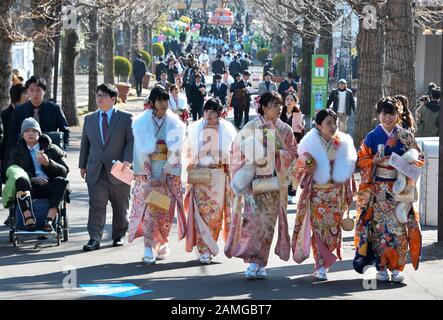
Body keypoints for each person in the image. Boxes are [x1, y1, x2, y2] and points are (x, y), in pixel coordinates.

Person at [225, 91, 297, 279]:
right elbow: (235, 149)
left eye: (280, 105)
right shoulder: (251, 126)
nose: (279, 108)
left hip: (274, 183)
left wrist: (276, 153)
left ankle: (260, 262)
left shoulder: (285, 130)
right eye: (275, 105)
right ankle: (251, 260)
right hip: (254, 183)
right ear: (264, 107)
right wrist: (253, 156)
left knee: (267, 225)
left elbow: (292, 152)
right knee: (253, 223)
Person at [354, 97, 424, 283]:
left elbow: (420, 158)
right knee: (380, 230)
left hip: (400, 190)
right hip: (378, 188)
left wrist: (409, 161)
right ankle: (382, 267)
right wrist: (373, 162)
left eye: (391, 113)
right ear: (379, 115)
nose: (387, 118)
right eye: (383, 114)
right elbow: (360, 161)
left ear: (398, 115)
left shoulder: (405, 136)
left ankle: (397, 268)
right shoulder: (372, 136)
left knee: (399, 229)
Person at [291, 109, 357, 281]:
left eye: (334, 122)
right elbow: (299, 165)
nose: (332, 126)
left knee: (333, 230)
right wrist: (307, 165)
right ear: (318, 125)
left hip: (336, 194)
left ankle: (324, 263)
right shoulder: (309, 143)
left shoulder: (342, 142)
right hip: (317, 194)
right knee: (319, 230)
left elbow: (349, 165)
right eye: (328, 123)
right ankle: (320, 264)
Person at [129, 87, 186, 264]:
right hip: (148, 174)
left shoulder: (175, 123)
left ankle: (160, 243)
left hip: (167, 174)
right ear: (152, 103)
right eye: (160, 100)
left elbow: (177, 152)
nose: (163, 104)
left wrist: (166, 172)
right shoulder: (141, 123)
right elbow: (139, 151)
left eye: (165, 100)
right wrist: (149, 175)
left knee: (165, 213)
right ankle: (148, 248)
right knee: (149, 212)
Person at [79, 83, 134, 251]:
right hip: (96, 170)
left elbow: (131, 142)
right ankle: (94, 238)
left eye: (103, 95)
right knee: (96, 206)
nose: (99, 98)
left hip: (119, 170)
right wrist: (82, 165)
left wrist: (127, 161)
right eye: (98, 95)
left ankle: (119, 235)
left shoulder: (126, 118)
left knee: (120, 206)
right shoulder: (89, 119)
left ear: (113, 98)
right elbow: (85, 144)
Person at [183, 98, 237, 264]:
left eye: (213, 111)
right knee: (201, 212)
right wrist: (190, 167)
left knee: (215, 213)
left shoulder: (227, 129)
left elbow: (234, 154)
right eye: (206, 111)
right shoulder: (195, 129)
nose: (208, 115)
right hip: (200, 175)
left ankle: (208, 246)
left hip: (219, 175)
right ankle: (203, 249)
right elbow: (188, 152)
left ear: (219, 113)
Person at [9, 118, 69, 232]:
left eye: (34, 131)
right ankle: (28, 218)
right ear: (22, 135)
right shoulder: (16, 152)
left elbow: (65, 170)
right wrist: (33, 179)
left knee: (61, 181)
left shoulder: (52, 148)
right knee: (20, 179)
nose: (30, 134)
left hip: (49, 184)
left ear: (39, 133)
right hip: (30, 187)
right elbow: (12, 170)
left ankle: (50, 219)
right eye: (27, 131)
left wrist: (48, 163)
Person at [8, 76, 70, 154]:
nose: (35, 94)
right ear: (27, 92)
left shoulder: (55, 109)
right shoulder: (19, 110)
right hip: (25, 152)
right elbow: (12, 132)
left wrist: (63, 149)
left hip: (49, 150)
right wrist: (15, 151)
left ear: (44, 91)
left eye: (38, 90)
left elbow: (65, 130)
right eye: (31, 90)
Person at [1, 83, 29, 226]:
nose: (28, 96)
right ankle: (12, 213)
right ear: (17, 96)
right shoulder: (4, 115)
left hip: (25, 155)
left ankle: (19, 213)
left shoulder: (27, 113)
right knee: (11, 185)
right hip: (9, 156)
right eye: (25, 93)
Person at [280, 93, 305, 204]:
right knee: (282, 170)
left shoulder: (298, 115)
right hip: (281, 146)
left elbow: (301, 133)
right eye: (287, 99)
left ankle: (292, 193)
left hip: (294, 146)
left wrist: (301, 127)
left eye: (291, 100)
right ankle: (283, 191)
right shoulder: (279, 114)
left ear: (295, 102)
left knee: (294, 170)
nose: (289, 101)